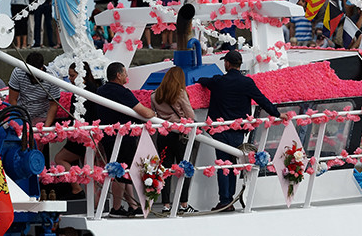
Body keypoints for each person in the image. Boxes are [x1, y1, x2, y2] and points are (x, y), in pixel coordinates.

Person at [203, 48, 282, 212]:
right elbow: (262, 100)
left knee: (222, 165)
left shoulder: (218, 82)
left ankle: (225, 200)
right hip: (238, 131)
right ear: (239, 65)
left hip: (220, 131)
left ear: (227, 63)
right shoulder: (247, 83)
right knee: (233, 165)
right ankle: (229, 200)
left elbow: (203, 80)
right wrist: (279, 114)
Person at [94, 62, 156, 215]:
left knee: (123, 170)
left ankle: (133, 206)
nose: (127, 77)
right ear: (118, 75)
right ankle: (116, 208)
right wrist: (155, 114)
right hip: (122, 138)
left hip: (107, 136)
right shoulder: (122, 92)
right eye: (125, 74)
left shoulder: (100, 91)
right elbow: (144, 112)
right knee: (120, 172)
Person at [151, 66, 196, 214]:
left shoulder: (155, 95)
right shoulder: (180, 93)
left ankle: (166, 205)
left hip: (163, 136)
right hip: (179, 135)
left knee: (165, 170)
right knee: (184, 169)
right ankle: (183, 204)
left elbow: (154, 114)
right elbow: (190, 115)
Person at [7, 57, 62, 129]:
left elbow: (53, 105)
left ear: (41, 69)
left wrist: (45, 128)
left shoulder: (52, 78)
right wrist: (18, 122)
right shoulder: (18, 72)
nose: (33, 78)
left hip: (42, 117)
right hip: (22, 115)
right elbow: (12, 99)